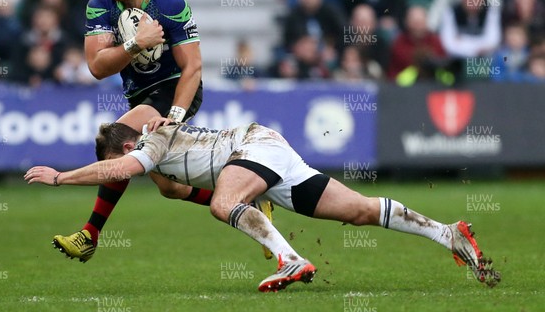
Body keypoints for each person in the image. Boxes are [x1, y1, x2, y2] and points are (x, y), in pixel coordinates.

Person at [25, 117, 501, 292]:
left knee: (225, 203)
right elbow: (182, 191)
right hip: (266, 156)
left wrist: (60, 177)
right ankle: (448, 233)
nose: (124, 169)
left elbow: (119, 171)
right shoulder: (160, 166)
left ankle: (290, 258)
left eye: (118, 159)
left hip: (252, 148)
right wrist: (244, 203)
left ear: (127, 148)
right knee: (358, 210)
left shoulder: (151, 143)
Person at [59, 0, 209, 259]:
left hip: (177, 89)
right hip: (141, 96)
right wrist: (135, 43)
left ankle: (89, 234)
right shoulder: (100, 5)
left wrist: (176, 117)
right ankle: (246, 201)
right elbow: (97, 68)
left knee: (116, 141)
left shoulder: (169, 3)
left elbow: (193, 67)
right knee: (170, 187)